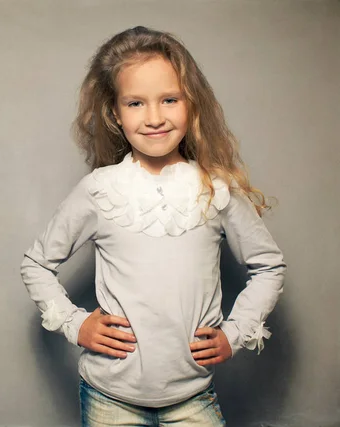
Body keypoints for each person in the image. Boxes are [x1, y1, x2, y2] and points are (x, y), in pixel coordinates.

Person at [20, 26, 286, 426]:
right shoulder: (100, 191)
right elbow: (36, 264)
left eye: (169, 99)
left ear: (191, 105)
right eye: (136, 103)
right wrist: (77, 325)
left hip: (193, 397)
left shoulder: (215, 189)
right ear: (115, 113)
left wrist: (235, 333)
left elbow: (269, 265)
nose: (155, 117)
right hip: (109, 400)